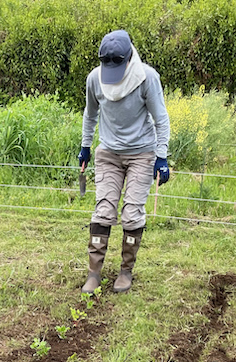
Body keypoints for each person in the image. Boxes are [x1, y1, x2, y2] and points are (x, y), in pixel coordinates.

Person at [78, 30, 170, 294]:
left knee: (131, 213)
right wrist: (86, 146)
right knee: (104, 210)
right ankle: (94, 273)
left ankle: (126, 272)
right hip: (108, 152)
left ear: (129, 58)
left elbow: (161, 119)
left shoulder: (147, 78)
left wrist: (161, 156)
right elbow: (90, 114)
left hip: (142, 153)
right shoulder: (95, 79)